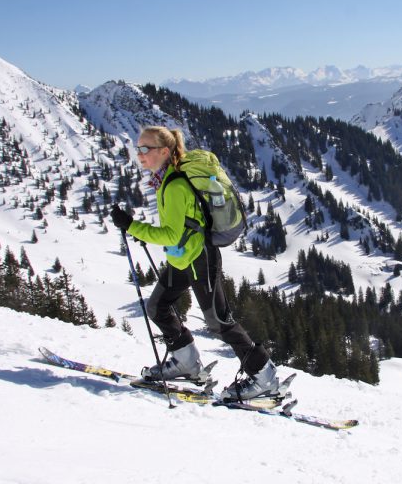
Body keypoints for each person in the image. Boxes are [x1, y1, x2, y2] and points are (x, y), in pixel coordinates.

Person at [110, 126, 278, 401]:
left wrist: (131, 226)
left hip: (200, 259)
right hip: (182, 259)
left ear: (164, 152)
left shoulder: (174, 185)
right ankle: (185, 362)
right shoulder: (165, 180)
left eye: (144, 149)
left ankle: (265, 378)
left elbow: (171, 234)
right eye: (137, 148)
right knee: (157, 307)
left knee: (219, 321)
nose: (139, 154)